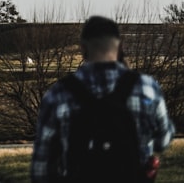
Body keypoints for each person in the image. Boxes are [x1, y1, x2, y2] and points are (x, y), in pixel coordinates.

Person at [31, 16, 174, 182]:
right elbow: (163, 140)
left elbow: (41, 168)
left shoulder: (59, 94)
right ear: (120, 47)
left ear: (83, 49)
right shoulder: (146, 88)